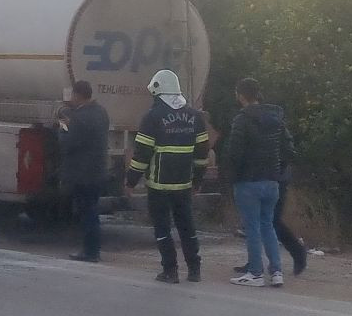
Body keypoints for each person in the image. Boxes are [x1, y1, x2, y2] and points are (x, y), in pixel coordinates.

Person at [126, 69, 210, 284]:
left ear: (157, 91)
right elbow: (202, 153)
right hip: (184, 184)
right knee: (187, 226)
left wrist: (131, 181)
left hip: (159, 185)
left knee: (162, 227)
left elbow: (142, 154)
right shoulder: (195, 116)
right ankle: (194, 270)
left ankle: (170, 271)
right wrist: (198, 181)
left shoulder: (152, 117)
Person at [226, 77, 295, 287]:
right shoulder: (276, 118)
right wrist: (279, 170)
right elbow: (289, 150)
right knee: (268, 226)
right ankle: (276, 272)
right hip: (272, 181)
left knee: (253, 228)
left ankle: (255, 273)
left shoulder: (242, 119)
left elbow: (234, 152)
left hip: (248, 182)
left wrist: (232, 175)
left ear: (240, 95)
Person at [59, 81, 110, 262]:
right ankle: (92, 249)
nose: (72, 98)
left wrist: (64, 127)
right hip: (97, 171)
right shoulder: (101, 112)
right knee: (92, 210)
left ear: (78, 95)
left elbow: (68, 143)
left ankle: (90, 251)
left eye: (73, 95)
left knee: (86, 212)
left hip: (82, 174)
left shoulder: (80, 118)